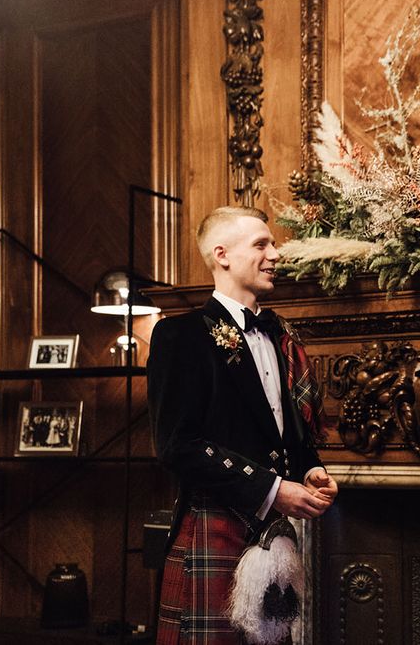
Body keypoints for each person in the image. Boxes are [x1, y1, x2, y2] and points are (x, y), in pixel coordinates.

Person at [148, 206, 338, 644]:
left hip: (272, 533)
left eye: (272, 244)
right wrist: (273, 489)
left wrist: (309, 469)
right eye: (261, 244)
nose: (275, 254)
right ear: (223, 255)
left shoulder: (281, 337)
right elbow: (177, 445)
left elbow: (286, 433)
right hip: (214, 525)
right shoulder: (181, 336)